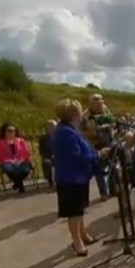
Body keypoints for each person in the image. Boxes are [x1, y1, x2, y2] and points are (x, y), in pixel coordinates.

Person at [53, 99, 105, 256]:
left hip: (78, 177)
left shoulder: (69, 129)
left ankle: (83, 234)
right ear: (74, 114)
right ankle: (77, 242)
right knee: (74, 212)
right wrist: (98, 154)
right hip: (70, 178)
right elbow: (75, 156)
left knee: (80, 209)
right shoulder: (65, 132)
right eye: (80, 111)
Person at [0, 123, 32, 193]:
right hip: (7, 161)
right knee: (10, 170)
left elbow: (26, 152)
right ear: (4, 132)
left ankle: (16, 184)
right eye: (9, 130)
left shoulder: (21, 141)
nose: (12, 132)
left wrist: (21, 160)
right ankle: (20, 185)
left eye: (14, 131)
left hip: (21, 160)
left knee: (25, 170)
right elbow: (1, 155)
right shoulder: (0, 143)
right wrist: (12, 161)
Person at [38, 120, 57, 192]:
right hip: (48, 157)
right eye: (50, 126)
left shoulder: (60, 136)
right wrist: (49, 156)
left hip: (60, 156)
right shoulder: (43, 138)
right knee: (47, 163)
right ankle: (51, 183)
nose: (51, 128)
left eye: (53, 126)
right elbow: (41, 150)